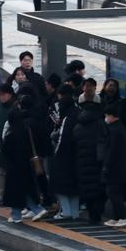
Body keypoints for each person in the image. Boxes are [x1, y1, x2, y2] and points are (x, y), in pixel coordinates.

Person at [1, 95, 44, 222]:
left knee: (16, 191)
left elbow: (6, 150)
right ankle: (27, 211)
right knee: (23, 190)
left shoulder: (10, 134)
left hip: (14, 167)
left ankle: (22, 213)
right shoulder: (26, 130)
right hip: (26, 164)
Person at [48, 90, 81, 220]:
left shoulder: (67, 119)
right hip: (78, 156)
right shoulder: (79, 114)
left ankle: (66, 211)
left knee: (59, 185)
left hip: (64, 156)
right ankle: (75, 213)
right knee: (74, 187)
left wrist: (56, 154)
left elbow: (62, 139)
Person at [73, 97, 106, 224]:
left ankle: (92, 215)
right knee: (98, 187)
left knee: (87, 188)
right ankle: (97, 213)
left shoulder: (78, 125)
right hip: (97, 160)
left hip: (82, 160)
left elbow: (74, 140)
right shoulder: (100, 124)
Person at [100, 105, 126, 227]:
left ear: (112, 116)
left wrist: (106, 165)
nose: (105, 118)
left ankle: (124, 216)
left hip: (115, 167)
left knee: (113, 192)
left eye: (106, 116)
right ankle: (117, 217)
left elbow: (112, 150)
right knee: (114, 192)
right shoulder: (119, 128)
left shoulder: (115, 130)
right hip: (120, 167)